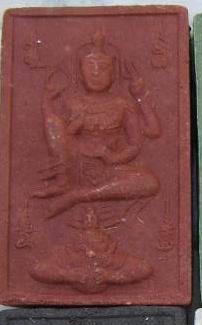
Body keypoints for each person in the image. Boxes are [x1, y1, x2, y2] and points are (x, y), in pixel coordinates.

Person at [33, 30, 160, 217]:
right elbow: (59, 138)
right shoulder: (73, 103)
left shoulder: (122, 104)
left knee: (150, 183)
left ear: (113, 74)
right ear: (80, 73)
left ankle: (79, 196)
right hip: (75, 165)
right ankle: (63, 183)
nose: (96, 73)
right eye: (89, 67)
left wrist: (140, 97)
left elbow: (150, 133)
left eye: (103, 68)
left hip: (109, 170)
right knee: (54, 122)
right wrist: (71, 127)